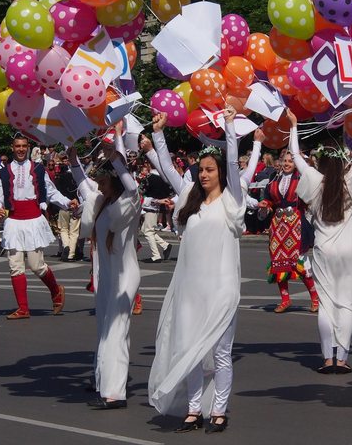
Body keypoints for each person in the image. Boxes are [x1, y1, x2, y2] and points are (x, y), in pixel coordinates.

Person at [148, 108, 246, 434]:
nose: (203, 175)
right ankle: (193, 410)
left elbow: (233, 162)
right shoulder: (190, 199)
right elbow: (166, 169)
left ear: (220, 172)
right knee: (190, 351)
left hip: (221, 289)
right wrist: (159, 134)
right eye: (201, 170)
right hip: (190, 291)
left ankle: (219, 410)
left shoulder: (232, 202)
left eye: (209, 170)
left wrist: (230, 127)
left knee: (220, 353)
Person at [287, 109, 352, 373]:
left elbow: (297, 157)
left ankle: (327, 358)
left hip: (324, 250)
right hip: (348, 251)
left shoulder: (314, 180)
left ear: (320, 165)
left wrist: (293, 125)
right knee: (347, 303)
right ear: (342, 164)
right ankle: (342, 359)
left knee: (326, 304)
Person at [68, 127, 141, 410]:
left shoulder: (129, 203)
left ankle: (115, 392)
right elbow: (83, 184)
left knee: (116, 330)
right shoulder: (101, 202)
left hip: (124, 276)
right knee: (103, 329)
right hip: (106, 274)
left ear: (113, 180)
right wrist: (74, 159)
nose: (96, 181)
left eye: (102, 177)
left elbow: (132, 186)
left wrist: (116, 159)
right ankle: (102, 381)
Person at [0, 134, 77, 319]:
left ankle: (55, 290)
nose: (21, 149)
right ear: (12, 147)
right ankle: (23, 308)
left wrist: (67, 203)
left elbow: (51, 192)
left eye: (24, 146)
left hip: (33, 219)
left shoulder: (38, 168)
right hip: (13, 221)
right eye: (17, 146)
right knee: (15, 266)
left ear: (28, 147)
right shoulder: (4, 172)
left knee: (37, 266)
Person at [258, 151, 319, 314]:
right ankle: (285, 299)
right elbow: (270, 199)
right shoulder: (274, 179)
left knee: (299, 262)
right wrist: (266, 204)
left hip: (296, 224)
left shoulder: (301, 179)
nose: (286, 164)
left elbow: (310, 198)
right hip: (278, 226)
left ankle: (314, 297)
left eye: (290, 161)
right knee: (279, 262)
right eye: (284, 161)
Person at [139, 159, 173, 264]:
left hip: (150, 205)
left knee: (148, 231)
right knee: (146, 230)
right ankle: (165, 245)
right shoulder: (165, 178)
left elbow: (140, 191)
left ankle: (156, 255)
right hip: (157, 206)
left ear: (149, 165)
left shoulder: (149, 178)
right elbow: (170, 192)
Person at [54, 159, 81, 261]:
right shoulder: (76, 178)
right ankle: (71, 253)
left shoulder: (59, 179)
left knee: (63, 229)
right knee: (74, 231)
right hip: (76, 206)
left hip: (63, 207)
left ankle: (66, 246)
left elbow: (56, 193)